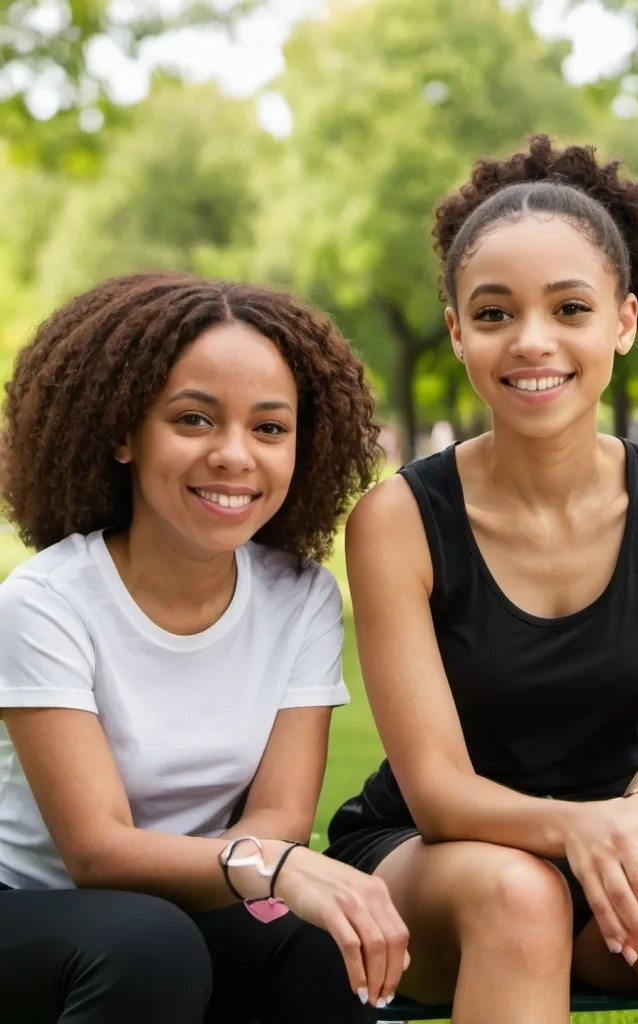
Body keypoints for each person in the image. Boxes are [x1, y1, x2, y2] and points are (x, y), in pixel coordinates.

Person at [327, 135, 638, 1023]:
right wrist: (580, 828)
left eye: (570, 307)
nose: (533, 341)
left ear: (625, 320)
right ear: (456, 332)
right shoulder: (398, 521)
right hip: (437, 857)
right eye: (494, 315)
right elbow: (439, 790)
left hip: (620, 841)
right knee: (520, 892)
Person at [0, 272, 409, 1023]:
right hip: (32, 907)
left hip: (199, 899)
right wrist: (272, 870)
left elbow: (281, 813)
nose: (234, 455)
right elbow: (94, 851)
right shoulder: (45, 602)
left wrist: (270, 870)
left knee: (321, 948)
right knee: (150, 946)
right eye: (193, 420)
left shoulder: (302, 597)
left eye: (269, 428)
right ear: (122, 433)